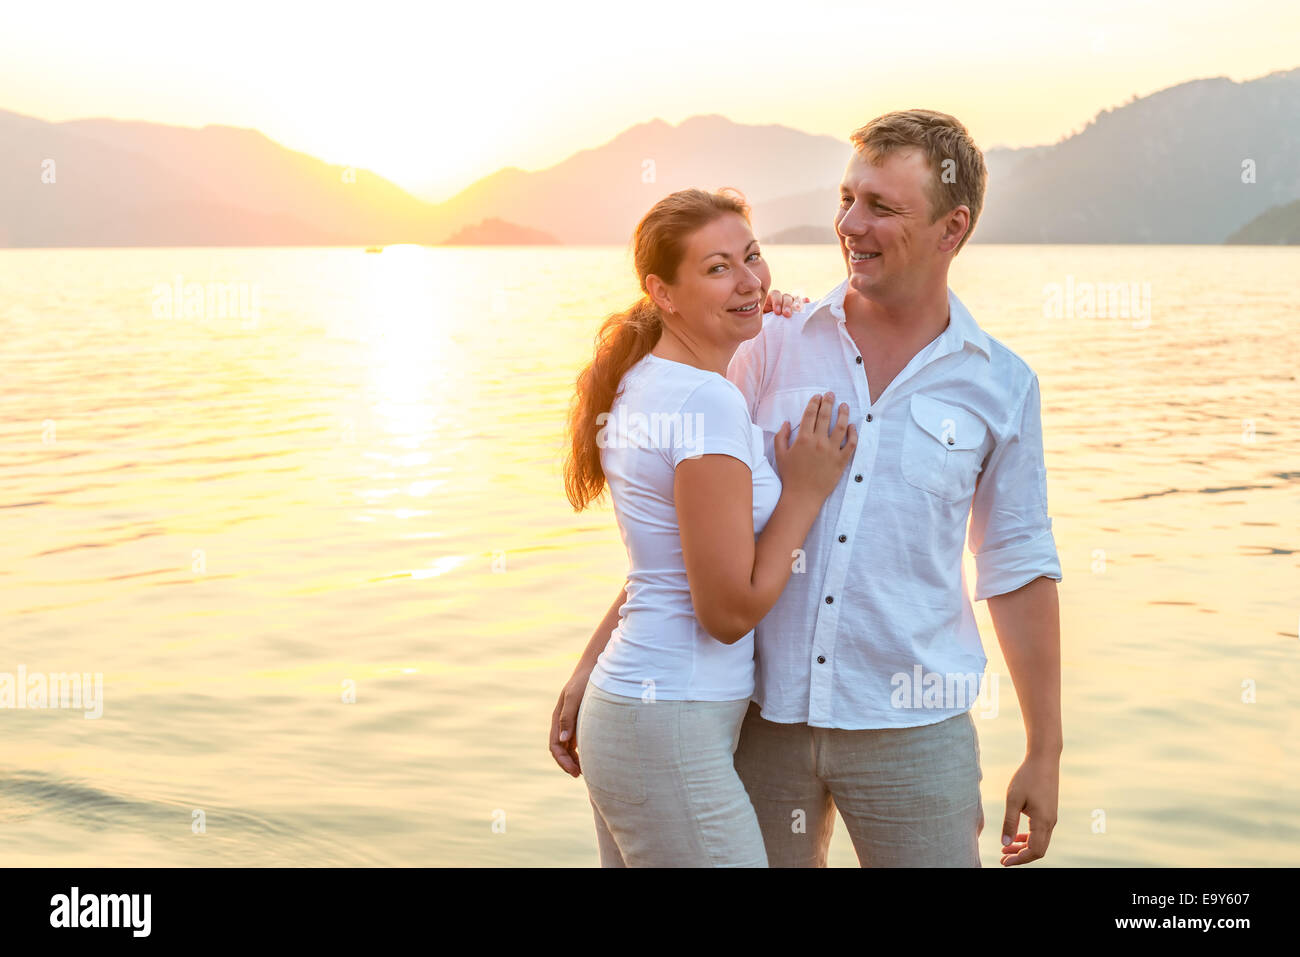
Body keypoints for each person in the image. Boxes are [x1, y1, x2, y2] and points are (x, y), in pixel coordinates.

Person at [555, 109, 1064, 868]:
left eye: (881, 207)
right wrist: (593, 661)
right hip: (761, 724)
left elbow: (1017, 566)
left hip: (913, 733)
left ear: (952, 229)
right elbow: (693, 536)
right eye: (847, 197)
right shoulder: (769, 343)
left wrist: (1044, 750)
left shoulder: (999, 385)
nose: (850, 224)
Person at [553, 187, 856, 866]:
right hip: (668, 725)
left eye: (752, 256)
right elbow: (726, 610)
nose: (749, 280)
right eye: (718, 268)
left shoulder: (645, 379)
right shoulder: (705, 401)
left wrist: (769, 316)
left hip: (639, 712)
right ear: (663, 292)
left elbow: (661, 568)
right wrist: (804, 493)